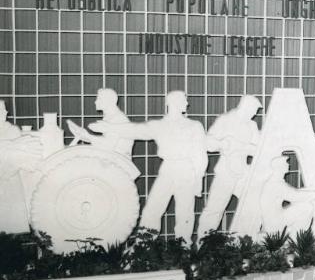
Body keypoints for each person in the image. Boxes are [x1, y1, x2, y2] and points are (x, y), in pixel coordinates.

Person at [90, 91, 208, 244]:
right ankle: (143, 245)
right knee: (152, 209)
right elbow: (135, 131)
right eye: (184, 101)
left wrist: (198, 178)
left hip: (187, 170)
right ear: (173, 103)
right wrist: (108, 128)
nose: (187, 104)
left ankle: (183, 246)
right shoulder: (159, 125)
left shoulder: (194, 126)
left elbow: (201, 156)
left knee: (184, 212)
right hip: (168, 169)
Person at [196, 95, 261, 236]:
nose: (255, 114)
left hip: (243, 171)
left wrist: (245, 148)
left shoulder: (252, 125)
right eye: (253, 110)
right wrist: (223, 144)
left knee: (254, 203)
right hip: (225, 172)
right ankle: (204, 244)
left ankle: (244, 240)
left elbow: (257, 149)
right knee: (215, 209)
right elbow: (208, 142)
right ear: (244, 107)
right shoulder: (225, 120)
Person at [67, 88, 133, 156]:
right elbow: (107, 141)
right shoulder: (111, 116)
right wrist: (85, 136)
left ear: (108, 101)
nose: (95, 102)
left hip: (118, 161)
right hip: (112, 157)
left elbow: (108, 145)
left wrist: (88, 136)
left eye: (99, 99)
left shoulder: (117, 119)